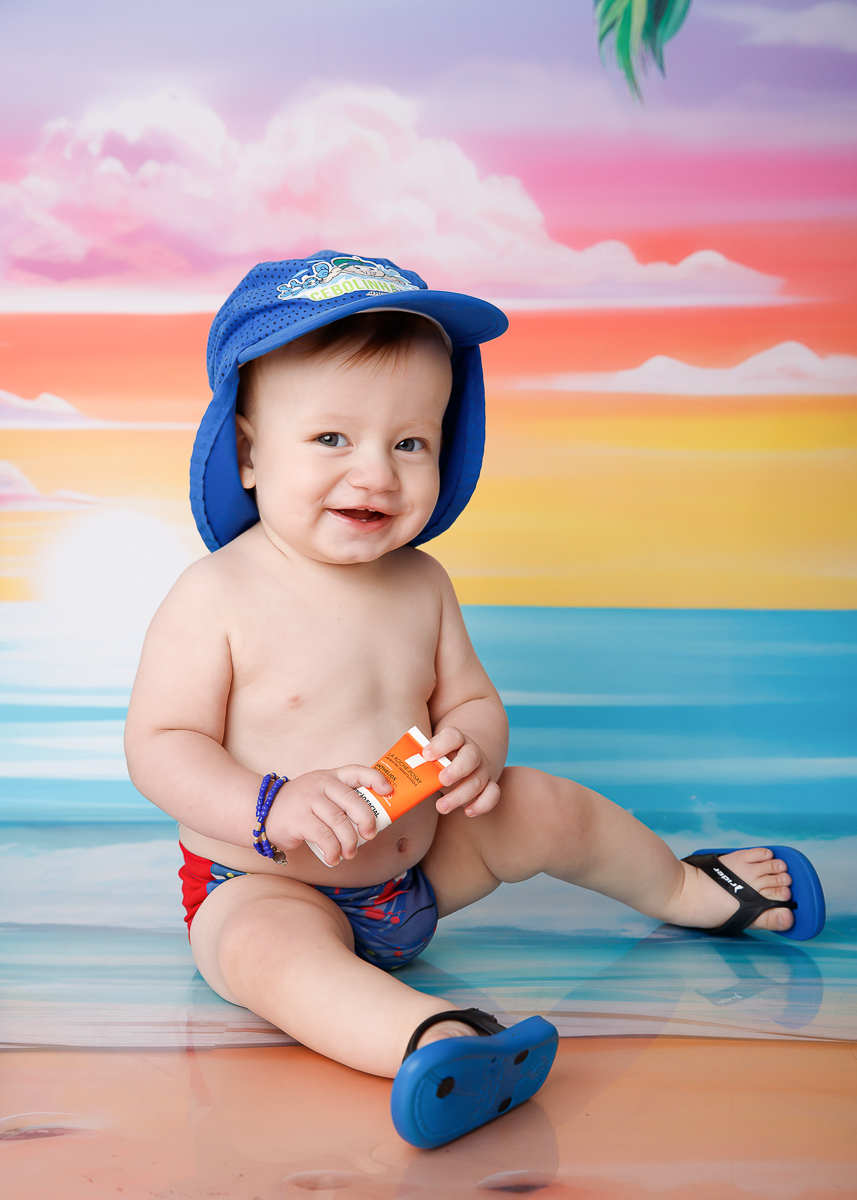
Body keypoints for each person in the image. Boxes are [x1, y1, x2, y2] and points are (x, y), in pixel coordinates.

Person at [124, 252, 819, 1150]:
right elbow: (160, 744)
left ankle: (685, 888)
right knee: (271, 956)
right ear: (250, 453)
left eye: (409, 443)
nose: (375, 475)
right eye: (332, 439)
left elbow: (472, 702)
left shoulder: (422, 583)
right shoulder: (216, 594)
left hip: (416, 878)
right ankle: (430, 1041)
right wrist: (270, 804)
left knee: (540, 802)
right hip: (265, 884)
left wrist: (472, 748)